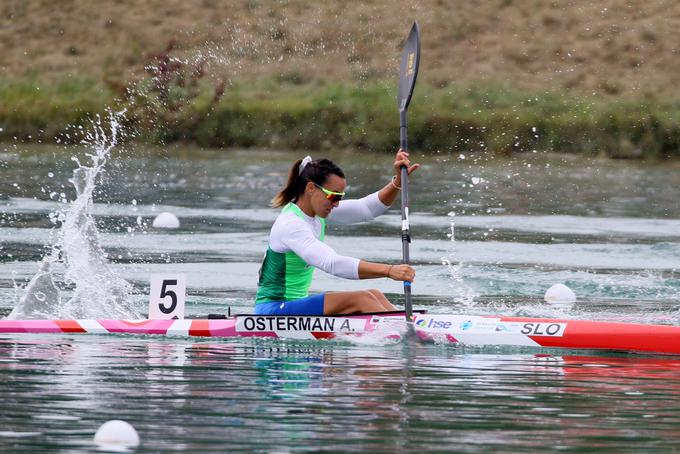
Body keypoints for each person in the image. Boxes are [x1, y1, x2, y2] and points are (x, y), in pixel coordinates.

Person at [254, 149, 419, 315]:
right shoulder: (291, 224)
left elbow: (366, 208)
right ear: (311, 188)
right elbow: (331, 263)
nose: (337, 204)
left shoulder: (316, 212)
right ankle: (407, 334)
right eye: (333, 197)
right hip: (273, 311)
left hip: (295, 306)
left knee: (375, 295)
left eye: (340, 197)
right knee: (362, 299)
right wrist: (389, 270)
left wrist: (398, 181)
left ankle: (409, 327)